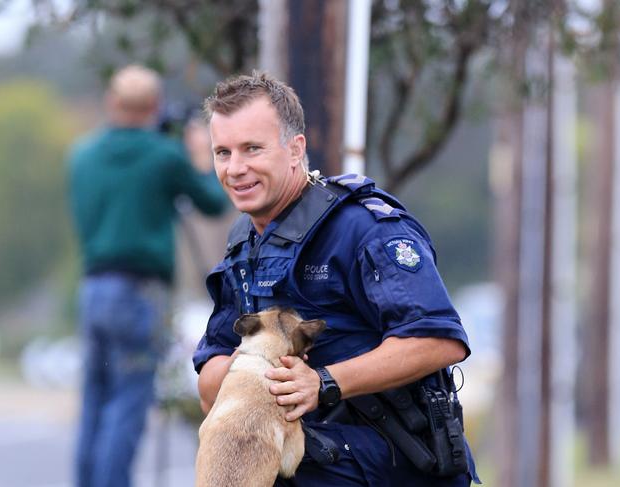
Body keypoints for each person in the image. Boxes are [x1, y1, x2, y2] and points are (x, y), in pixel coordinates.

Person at [193, 71, 480, 486]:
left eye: (252, 149)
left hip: (387, 461)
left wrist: (323, 382)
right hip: (301, 455)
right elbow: (208, 387)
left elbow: (439, 340)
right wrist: (247, 368)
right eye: (223, 153)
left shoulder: (363, 229)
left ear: (295, 149)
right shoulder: (244, 245)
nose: (236, 168)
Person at [67, 64, 227, 487]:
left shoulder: (82, 156)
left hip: (94, 287)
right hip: (139, 291)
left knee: (95, 403)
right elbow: (212, 202)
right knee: (128, 402)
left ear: (112, 103)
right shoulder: (163, 156)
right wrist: (198, 159)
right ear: (155, 107)